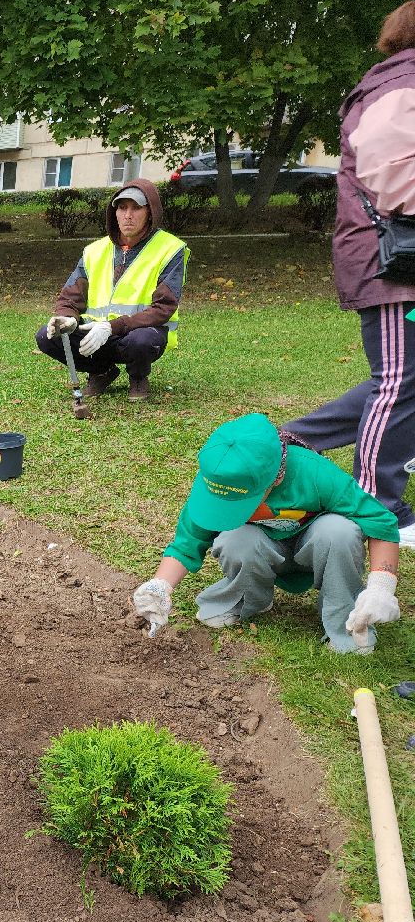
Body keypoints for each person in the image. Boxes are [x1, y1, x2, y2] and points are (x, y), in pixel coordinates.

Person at [281, 2, 415, 548]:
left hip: (396, 255)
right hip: (392, 261)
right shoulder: (401, 84)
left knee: (403, 377)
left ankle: (290, 442)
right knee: (399, 379)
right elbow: (392, 175)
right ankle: (379, 503)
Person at [130, 413, 401, 654]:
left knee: (339, 530)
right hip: (261, 548)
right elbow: (187, 541)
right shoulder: (219, 480)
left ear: (276, 478)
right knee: (234, 539)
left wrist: (381, 588)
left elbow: (380, 520)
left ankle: (347, 623)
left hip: (318, 550)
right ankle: (250, 600)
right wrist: (160, 586)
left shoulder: (313, 472)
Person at [35, 179, 188, 402]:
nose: (128, 215)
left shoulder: (171, 249)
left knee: (141, 341)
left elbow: (163, 308)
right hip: (96, 334)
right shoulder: (94, 251)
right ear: (114, 212)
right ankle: (101, 371)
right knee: (47, 336)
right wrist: (66, 318)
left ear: (150, 212)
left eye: (136, 208)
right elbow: (71, 295)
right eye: (122, 207)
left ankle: (138, 377)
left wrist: (112, 326)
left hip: (140, 333)